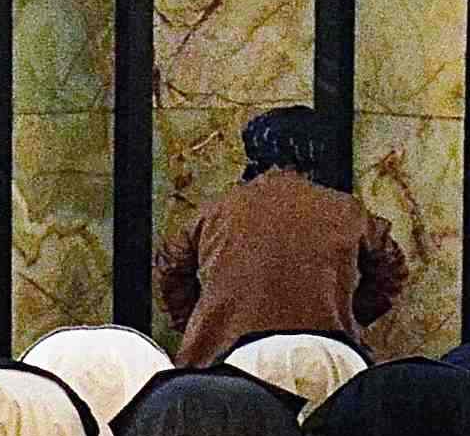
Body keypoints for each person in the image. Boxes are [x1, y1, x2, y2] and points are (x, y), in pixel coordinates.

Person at [150, 109, 407, 369]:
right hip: (322, 361)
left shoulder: (217, 210)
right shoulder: (348, 211)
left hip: (221, 362)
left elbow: (170, 269)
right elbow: (390, 270)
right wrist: (350, 317)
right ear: (317, 151)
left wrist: (203, 323)